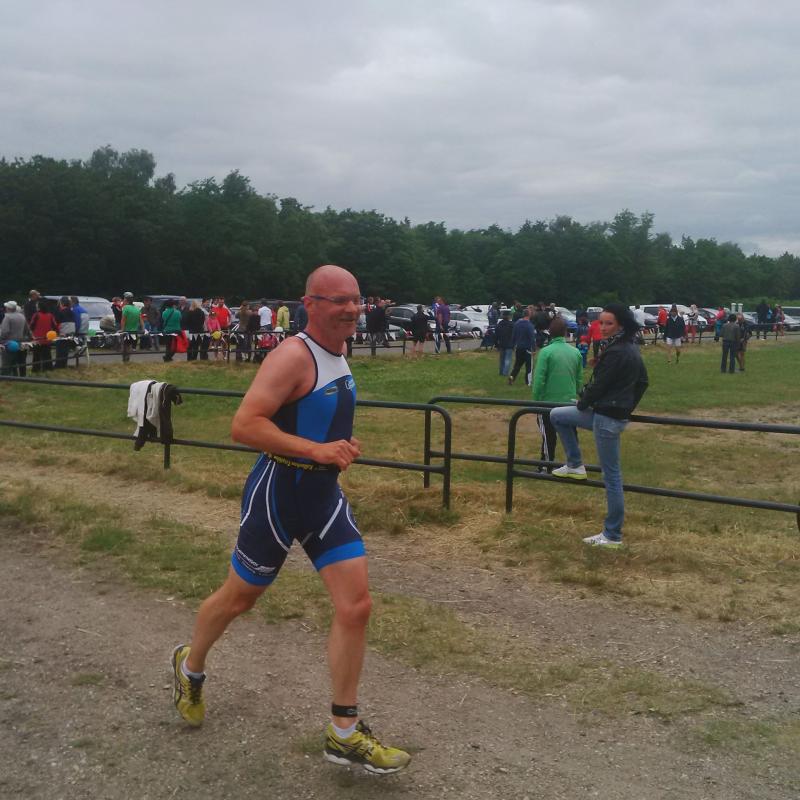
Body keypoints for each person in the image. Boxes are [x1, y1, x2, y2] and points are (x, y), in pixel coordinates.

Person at [171, 265, 410, 774]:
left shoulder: (338, 350)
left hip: (322, 497)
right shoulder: (292, 356)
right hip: (277, 496)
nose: (352, 309)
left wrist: (337, 446)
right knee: (240, 599)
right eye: (339, 300)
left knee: (356, 606)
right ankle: (190, 666)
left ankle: (343, 732)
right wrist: (316, 449)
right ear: (311, 304)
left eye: (356, 299)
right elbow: (244, 425)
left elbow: (315, 418)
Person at [549, 303, 649, 548]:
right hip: (607, 413)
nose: (603, 328)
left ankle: (612, 535)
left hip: (607, 417)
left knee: (612, 477)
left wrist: (584, 402)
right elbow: (642, 382)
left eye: (609, 323)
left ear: (621, 325)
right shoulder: (628, 347)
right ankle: (575, 464)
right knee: (557, 415)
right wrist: (625, 407)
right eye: (601, 322)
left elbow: (600, 385)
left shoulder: (618, 351)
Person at [532, 317, 583, 473]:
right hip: (569, 401)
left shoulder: (546, 352)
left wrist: (536, 400)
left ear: (550, 332)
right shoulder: (576, 352)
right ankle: (575, 464)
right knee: (571, 434)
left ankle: (546, 465)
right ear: (566, 332)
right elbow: (579, 379)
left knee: (548, 435)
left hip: (548, 401)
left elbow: (539, 379)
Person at [1, 301, 30, 376]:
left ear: (8, 308)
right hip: (20, 342)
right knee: (20, 361)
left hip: (10, 343)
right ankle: (21, 376)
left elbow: (5, 331)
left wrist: (1, 339)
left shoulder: (7, 317)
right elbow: (26, 329)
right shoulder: (22, 316)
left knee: (7, 362)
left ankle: (7, 377)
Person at [508, 308, 535, 386]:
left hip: (519, 347)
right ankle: (528, 382)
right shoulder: (529, 325)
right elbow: (532, 338)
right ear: (529, 315)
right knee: (529, 366)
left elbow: (513, 335)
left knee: (517, 364)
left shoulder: (517, 324)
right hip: (527, 348)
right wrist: (534, 349)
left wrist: (513, 345)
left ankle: (512, 376)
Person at [29, 300, 57, 372]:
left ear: (39, 307)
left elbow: (31, 326)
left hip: (37, 339)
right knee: (47, 355)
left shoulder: (36, 315)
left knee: (36, 356)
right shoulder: (50, 315)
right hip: (47, 338)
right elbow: (55, 326)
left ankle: (36, 369)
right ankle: (48, 368)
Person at [54, 296, 76, 368]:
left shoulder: (61, 312)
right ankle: (64, 364)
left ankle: (59, 365)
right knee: (65, 349)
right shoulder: (71, 311)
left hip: (63, 332)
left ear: (62, 303)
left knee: (60, 349)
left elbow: (56, 322)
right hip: (71, 332)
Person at [119, 292, 141, 363]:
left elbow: (123, 320)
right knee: (130, 346)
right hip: (134, 331)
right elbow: (140, 320)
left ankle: (125, 360)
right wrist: (143, 328)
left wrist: (122, 329)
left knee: (125, 346)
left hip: (126, 330)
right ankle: (127, 358)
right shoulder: (137, 308)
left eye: (124, 299)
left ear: (126, 300)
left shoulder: (126, 308)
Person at [495, 309, 514, 376]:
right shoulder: (511, 324)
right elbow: (514, 335)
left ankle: (501, 371)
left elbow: (496, 335)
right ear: (509, 316)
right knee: (507, 359)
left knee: (502, 359)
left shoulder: (499, 324)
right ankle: (505, 373)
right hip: (509, 344)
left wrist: (496, 344)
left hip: (501, 343)